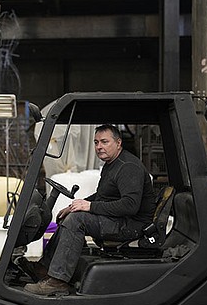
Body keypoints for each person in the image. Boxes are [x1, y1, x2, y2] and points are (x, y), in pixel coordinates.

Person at [22, 124, 157, 295]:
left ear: (118, 143)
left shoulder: (128, 167)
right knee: (71, 216)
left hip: (130, 225)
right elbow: (103, 195)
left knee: (77, 220)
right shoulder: (112, 164)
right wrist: (76, 205)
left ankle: (58, 281)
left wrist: (89, 207)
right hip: (118, 219)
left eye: (104, 142)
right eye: (96, 142)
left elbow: (130, 205)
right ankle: (45, 267)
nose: (99, 147)